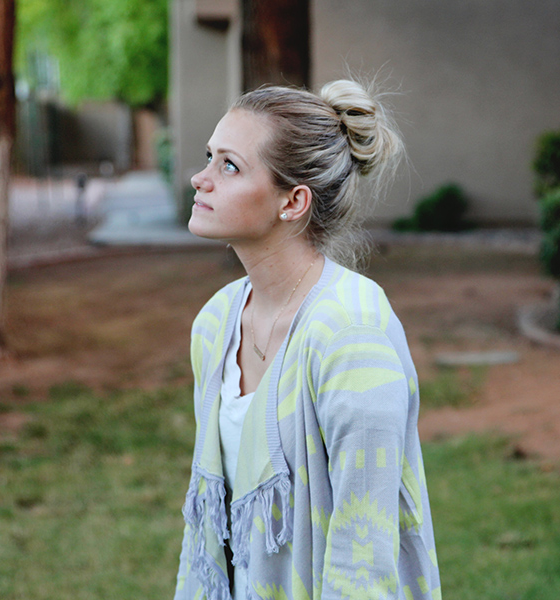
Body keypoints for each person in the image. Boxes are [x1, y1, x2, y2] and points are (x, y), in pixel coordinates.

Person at [173, 79, 441, 600]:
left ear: (293, 201)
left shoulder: (351, 337)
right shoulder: (216, 323)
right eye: (209, 157)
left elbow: (362, 560)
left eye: (229, 166)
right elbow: (206, 529)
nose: (199, 179)